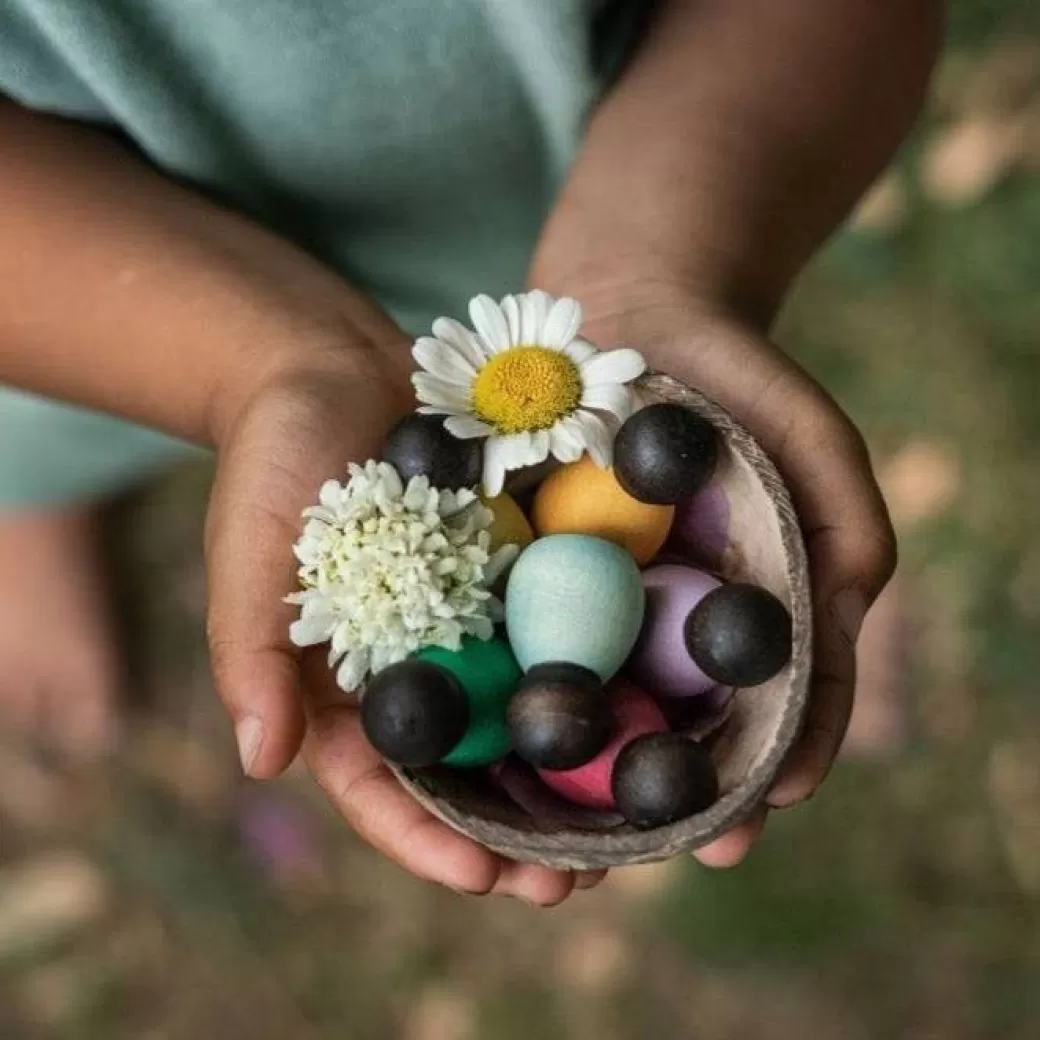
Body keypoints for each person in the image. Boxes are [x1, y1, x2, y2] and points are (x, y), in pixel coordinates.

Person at [0, 1, 941, 905]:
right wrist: (262, 370)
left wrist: (656, 269)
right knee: (78, 404)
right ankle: (41, 495)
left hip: (607, 169)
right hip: (84, 235)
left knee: (626, 430)